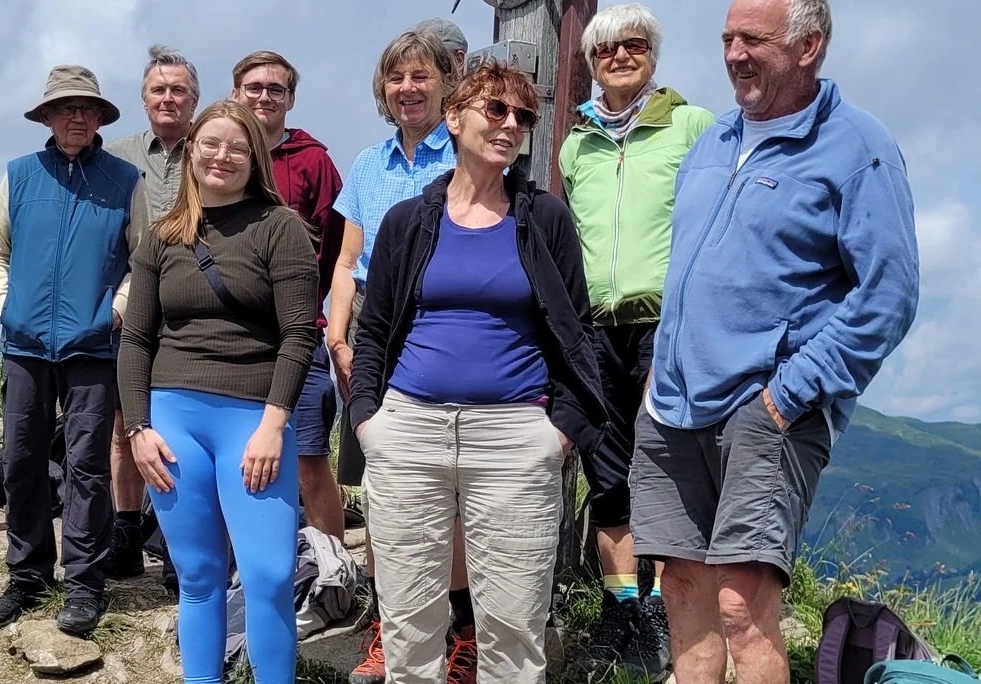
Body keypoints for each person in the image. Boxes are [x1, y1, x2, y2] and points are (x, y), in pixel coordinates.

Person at [630, 1, 919, 683]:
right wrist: (653, 383)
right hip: (671, 405)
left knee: (742, 604)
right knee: (681, 588)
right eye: (727, 38)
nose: (734, 54)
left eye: (753, 40)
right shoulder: (712, 140)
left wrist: (789, 394)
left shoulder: (857, 145)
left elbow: (890, 295)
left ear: (810, 45)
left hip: (766, 409)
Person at [350, 61, 609, 684]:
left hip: (515, 438)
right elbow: (376, 329)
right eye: (497, 110)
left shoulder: (543, 219)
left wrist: (562, 429)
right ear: (454, 117)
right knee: (409, 621)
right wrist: (367, 421)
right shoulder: (410, 221)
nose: (511, 125)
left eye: (523, 117)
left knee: (515, 625)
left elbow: (579, 329)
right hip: (409, 432)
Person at [117, 100, 319, 683]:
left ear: (255, 157)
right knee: (200, 577)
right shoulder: (161, 237)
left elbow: (299, 335)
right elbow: (136, 339)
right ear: (191, 152)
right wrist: (138, 429)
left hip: (255, 423)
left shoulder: (280, 229)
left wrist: (274, 425)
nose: (221, 156)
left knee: (269, 575)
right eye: (210, 144)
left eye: (236, 146)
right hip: (173, 421)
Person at [556, 3, 714, 677]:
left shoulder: (693, 125)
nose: (620, 56)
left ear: (653, 52)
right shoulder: (575, 144)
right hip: (595, 329)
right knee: (608, 469)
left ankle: (663, 608)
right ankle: (625, 609)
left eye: (634, 45)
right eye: (606, 50)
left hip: (667, 323)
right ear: (591, 64)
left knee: (666, 467)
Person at [0, 64, 148, 634]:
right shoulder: (20, 175)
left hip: (94, 349)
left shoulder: (126, 182)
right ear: (46, 116)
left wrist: (117, 309)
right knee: (21, 462)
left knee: (89, 469)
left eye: (87, 108)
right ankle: (26, 577)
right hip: (24, 347)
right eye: (65, 108)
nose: (77, 117)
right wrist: (8, 308)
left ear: (100, 118)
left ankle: (84, 584)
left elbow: (140, 261)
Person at [324, 30, 472, 684]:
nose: (408, 89)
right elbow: (347, 261)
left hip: (449, 347)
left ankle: (461, 640)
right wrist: (336, 335)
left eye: (421, 77)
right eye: (396, 79)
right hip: (375, 354)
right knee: (384, 502)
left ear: (445, 82)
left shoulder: (468, 156)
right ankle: (391, 633)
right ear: (383, 89)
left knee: (457, 502)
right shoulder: (367, 165)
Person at [231, 50, 346, 541]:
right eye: (253, 87)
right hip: (232, 338)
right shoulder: (220, 150)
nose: (263, 97)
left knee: (308, 461)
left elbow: (340, 247)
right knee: (237, 457)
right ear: (236, 93)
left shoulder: (313, 160)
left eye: (275, 89)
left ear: (291, 98)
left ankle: (334, 573)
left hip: (297, 331)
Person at [104, 44, 200, 586]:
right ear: (143, 99)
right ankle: (124, 534)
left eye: (178, 90)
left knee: (180, 427)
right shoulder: (116, 156)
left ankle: (176, 543)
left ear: (194, 99)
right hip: (133, 308)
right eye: (158, 90)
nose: (168, 98)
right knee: (125, 426)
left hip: (192, 310)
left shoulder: (212, 147)